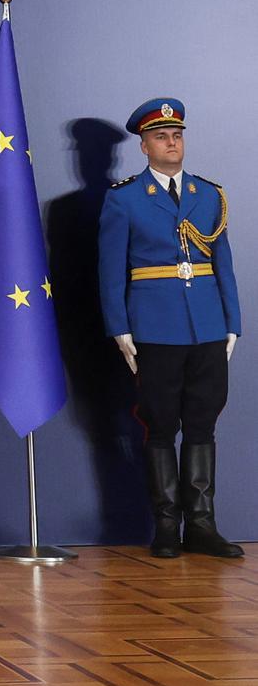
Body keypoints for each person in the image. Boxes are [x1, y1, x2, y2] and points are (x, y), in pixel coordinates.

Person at [100, 98, 242, 559]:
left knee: (202, 423)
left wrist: (232, 323)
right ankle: (166, 525)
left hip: (206, 325)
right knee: (161, 425)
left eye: (177, 135)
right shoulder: (123, 198)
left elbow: (223, 265)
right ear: (144, 147)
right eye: (161, 136)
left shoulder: (208, 195)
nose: (172, 143)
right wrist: (120, 327)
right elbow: (110, 270)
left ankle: (202, 524)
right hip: (154, 326)